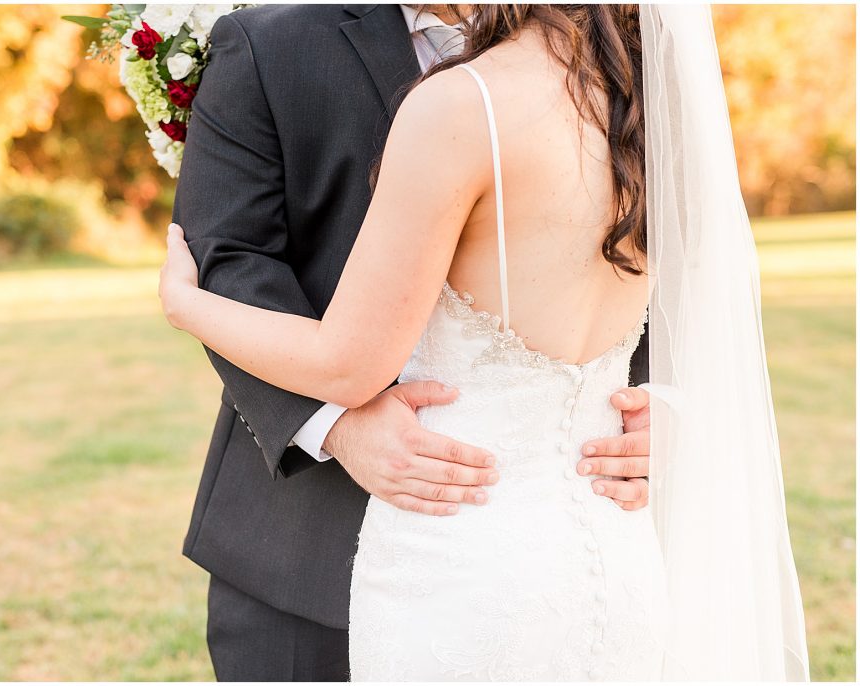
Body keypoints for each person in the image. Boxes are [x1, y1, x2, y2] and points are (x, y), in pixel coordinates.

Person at [163, 3, 811, 682]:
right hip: (579, 574)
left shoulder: (466, 105)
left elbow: (349, 361)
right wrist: (335, 429)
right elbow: (235, 251)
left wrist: (185, 305)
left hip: (462, 575)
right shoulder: (643, 91)